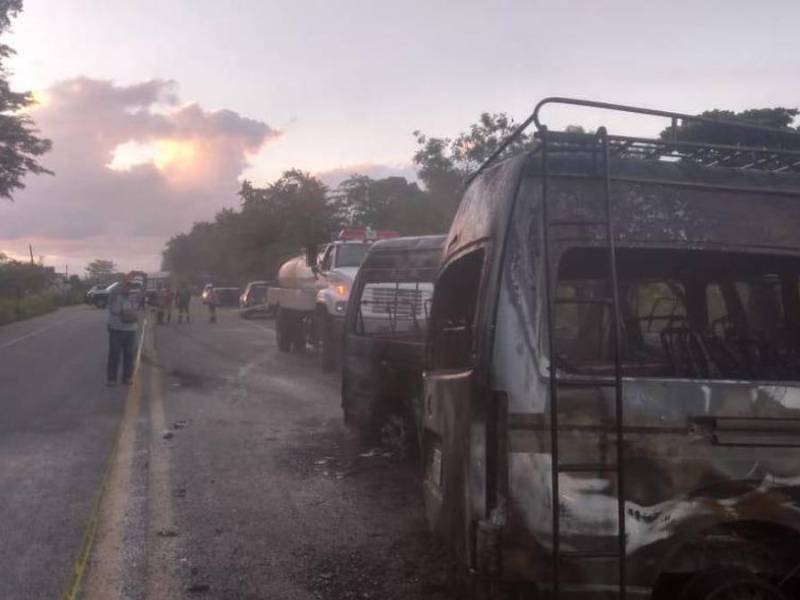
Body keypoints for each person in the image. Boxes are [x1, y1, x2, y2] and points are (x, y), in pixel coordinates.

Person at [107, 272, 142, 386]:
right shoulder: (114, 294)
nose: (128, 287)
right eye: (126, 284)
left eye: (130, 285)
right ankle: (111, 379)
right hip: (116, 329)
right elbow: (114, 310)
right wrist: (124, 280)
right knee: (114, 355)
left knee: (129, 355)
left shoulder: (135, 296)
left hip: (130, 330)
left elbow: (143, 294)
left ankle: (127, 377)